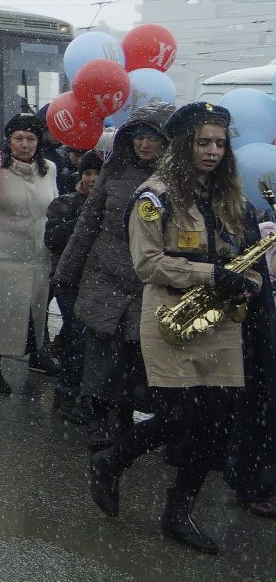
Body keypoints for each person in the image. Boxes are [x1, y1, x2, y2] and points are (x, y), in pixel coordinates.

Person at [90, 102, 267, 552]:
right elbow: (147, 264)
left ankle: (178, 512)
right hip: (171, 316)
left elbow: (246, 257)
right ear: (184, 144)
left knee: (213, 424)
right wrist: (210, 273)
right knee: (176, 415)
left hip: (219, 320)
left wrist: (246, 280)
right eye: (203, 142)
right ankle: (113, 459)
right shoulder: (155, 197)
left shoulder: (231, 198)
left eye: (220, 143)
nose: (212, 151)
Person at [53, 108, 169, 450]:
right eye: (139, 137)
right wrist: (68, 272)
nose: (145, 145)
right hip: (105, 273)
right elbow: (87, 222)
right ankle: (98, 419)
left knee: (137, 354)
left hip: (148, 278)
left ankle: (123, 417)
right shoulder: (114, 171)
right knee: (103, 350)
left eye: (152, 138)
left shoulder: (175, 180)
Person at [0, 112, 59, 394]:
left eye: (31, 138)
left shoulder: (50, 168)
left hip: (36, 255)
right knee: (0, 314)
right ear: (8, 140)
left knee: (34, 312)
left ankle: (38, 354)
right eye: (18, 138)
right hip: (0, 254)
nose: (25, 144)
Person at [44, 151, 103, 422]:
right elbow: (53, 239)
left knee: (92, 341)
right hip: (69, 280)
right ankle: (66, 395)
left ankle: (88, 396)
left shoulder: (112, 206)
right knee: (78, 337)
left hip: (100, 283)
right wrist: (84, 218)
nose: (92, 179)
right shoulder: (65, 203)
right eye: (88, 173)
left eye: (97, 174)